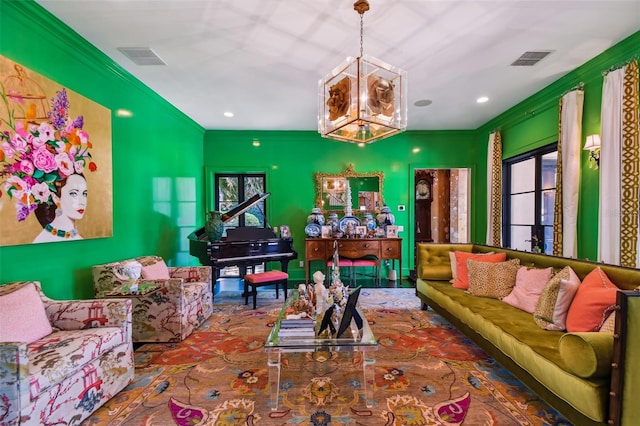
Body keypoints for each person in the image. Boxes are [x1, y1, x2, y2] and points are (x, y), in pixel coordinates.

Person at [33, 173, 87, 243]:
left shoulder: (78, 238)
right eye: (73, 194)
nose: (82, 201)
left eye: (84, 194)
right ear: (56, 198)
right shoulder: (43, 240)